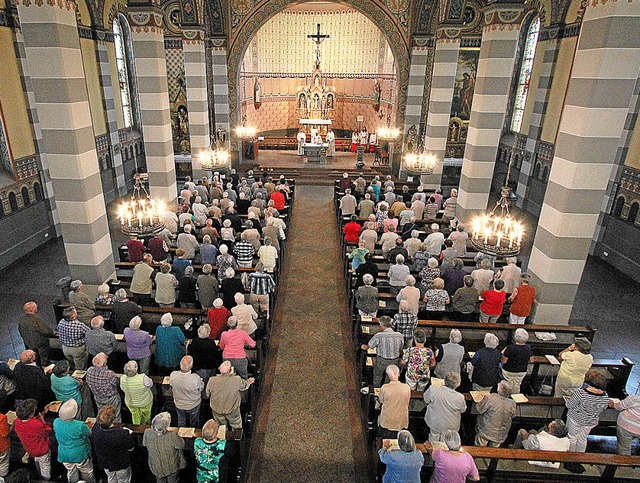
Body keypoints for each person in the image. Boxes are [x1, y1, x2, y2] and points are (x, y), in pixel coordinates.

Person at [565, 370, 609, 456]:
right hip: (591, 421)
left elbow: (570, 405)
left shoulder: (581, 392)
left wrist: (567, 402)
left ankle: (570, 457)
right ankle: (580, 456)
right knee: (583, 438)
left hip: (576, 419)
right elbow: (603, 408)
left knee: (572, 437)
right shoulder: (605, 396)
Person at [53, 399, 95, 483]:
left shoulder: (56, 422)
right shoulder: (80, 425)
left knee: (71, 473)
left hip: (64, 454)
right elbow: (88, 433)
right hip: (79, 454)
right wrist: (89, 427)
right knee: (87, 472)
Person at [206, 361, 255, 429]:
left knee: (221, 427)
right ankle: (236, 436)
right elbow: (244, 386)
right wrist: (249, 381)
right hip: (232, 409)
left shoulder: (212, 380)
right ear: (230, 370)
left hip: (217, 409)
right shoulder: (236, 379)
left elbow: (207, 394)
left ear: (219, 369)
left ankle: (223, 437)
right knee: (236, 424)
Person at [91, 404, 134, 482]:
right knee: (124, 480)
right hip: (121, 464)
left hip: (105, 463)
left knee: (111, 479)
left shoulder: (95, 429)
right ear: (113, 418)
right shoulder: (122, 433)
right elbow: (131, 448)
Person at [14, 398, 53, 480]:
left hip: (30, 447)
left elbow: (31, 421)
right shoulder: (36, 424)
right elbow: (47, 431)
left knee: (37, 462)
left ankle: (39, 476)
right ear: (31, 414)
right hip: (41, 449)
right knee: (45, 466)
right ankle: (46, 480)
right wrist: (43, 420)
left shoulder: (17, 421)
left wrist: (43, 413)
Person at [143, 412, 187, 483]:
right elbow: (181, 445)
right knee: (173, 481)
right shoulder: (172, 435)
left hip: (155, 465)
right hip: (171, 466)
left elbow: (145, 444)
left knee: (159, 480)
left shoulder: (147, 432)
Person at [361, 316, 404, 388]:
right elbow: (401, 348)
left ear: (381, 325)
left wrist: (364, 347)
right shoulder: (399, 335)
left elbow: (370, 345)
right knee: (390, 378)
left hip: (382, 360)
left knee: (377, 377)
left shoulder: (379, 335)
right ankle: (386, 391)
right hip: (394, 360)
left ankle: (376, 391)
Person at [423, 372, 466, 442]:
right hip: (451, 424)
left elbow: (426, 399)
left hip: (435, 422)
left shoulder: (434, 389)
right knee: (446, 442)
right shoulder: (460, 397)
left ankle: (433, 451)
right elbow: (463, 410)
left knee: (433, 438)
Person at [474, 380, 516, 447]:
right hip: (500, 433)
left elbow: (479, 409)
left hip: (486, 430)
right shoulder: (512, 403)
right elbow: (513, 415)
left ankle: (479, 457)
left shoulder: (490, 398)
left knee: (480, 445)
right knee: (494, 447)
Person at [170, 356, 204, 428]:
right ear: (191, 366)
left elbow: (171, 384)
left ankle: (181, 435)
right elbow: (201, 388)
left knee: (181, 419)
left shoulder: (173, 375)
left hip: (179, 403)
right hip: (193, 404)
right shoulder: (195, 378)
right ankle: (194, 433)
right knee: (194, 420)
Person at [86, 353, 121, 422]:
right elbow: (116, 383)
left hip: (98, 397)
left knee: (102, 415)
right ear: (104, 363)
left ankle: (103, 426)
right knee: (115, 415)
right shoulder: (109, 374)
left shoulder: (89, 371)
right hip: (111, 398)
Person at [378, 365, 411, 438]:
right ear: (399, 374)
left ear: (389, 376)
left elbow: (380, 400)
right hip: (401, 420)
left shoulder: (385, 388)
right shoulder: (406, 387)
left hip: (388, 420)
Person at [18, 301, 54, 366]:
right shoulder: (36, 319)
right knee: (43, 357)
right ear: (31, 309)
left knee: (35, 356)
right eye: (35, 307)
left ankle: (37, 364)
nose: (36, 308)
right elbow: (45, 330)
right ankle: (44, 367)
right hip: (40, 343)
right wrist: (53, 333)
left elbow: (20, 330)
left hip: (29, 343)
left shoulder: (21, 319)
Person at [120, 360, 153, 425]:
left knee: (135, 415)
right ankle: (145, 426)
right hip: (145, 401)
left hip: (130, 402)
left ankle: (136, 426)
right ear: (136, 369)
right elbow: (150, 384)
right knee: (146, 415)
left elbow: (122, 388)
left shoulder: (122, 378)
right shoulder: (143, 378)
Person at [57, 306, 90, 370]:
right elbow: (89, 332)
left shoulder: (61, 322)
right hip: (77, 349)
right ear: (73, 317)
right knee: (80, 367)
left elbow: (58, 330)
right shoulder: (79, 325)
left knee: (71, 364)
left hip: (65, 348)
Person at [500, 328, 532, 394]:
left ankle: (506, 395)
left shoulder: (510, 348)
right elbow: (531, 360)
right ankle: (515, 396)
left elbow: (503, 361)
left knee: (507, 384)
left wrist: (502, 353)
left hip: (509, 370)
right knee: (517, 385)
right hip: (522, 371)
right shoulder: (528, 348)